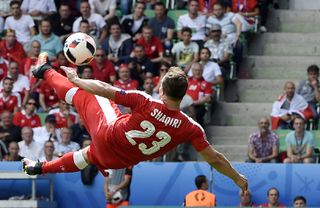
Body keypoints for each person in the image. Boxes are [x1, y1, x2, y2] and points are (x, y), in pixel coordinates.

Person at [22, 52, 248, 193]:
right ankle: (40, 167)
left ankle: (45, 71)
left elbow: (106, 89)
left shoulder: (147, 102)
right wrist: (237, 177)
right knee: (88, 156)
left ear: (161, 89)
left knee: (90, 95)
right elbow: (215, 159)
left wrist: (77, 79)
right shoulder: (191, 127)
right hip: (119, 160)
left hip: (108, 135)